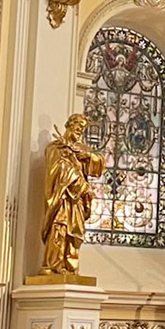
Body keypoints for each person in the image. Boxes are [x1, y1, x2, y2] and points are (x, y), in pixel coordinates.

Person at [40, 113, 105, 276]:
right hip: (61, 198)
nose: (80, 130)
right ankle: (53, 264)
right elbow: (59, 170)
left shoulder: (81, 150)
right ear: (69, 125)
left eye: (83, 128)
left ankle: (69, 266)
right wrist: (81, 185)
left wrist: (87, 156)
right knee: (59, 228)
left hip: (77, 201)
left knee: (74, 232)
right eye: (78, 125)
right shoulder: (55, 147)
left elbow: (98, 165)